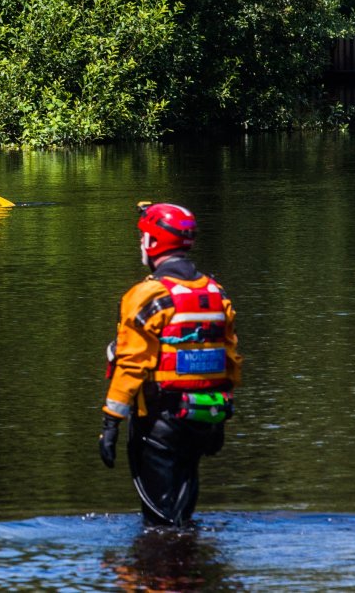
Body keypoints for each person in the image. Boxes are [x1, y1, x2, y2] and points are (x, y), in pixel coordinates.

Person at [98, 202, 242, 527]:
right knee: (183, 511)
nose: (140, 244)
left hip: (159, 421)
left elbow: (131, 364)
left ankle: (163, 574)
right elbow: (230, 361)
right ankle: (193, 569)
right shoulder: (216, 292)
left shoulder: (146, 295)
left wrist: (110, 424)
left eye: (142, 238)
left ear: (152, 243)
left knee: (161, 523)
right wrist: (220, 420)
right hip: (204, 417)